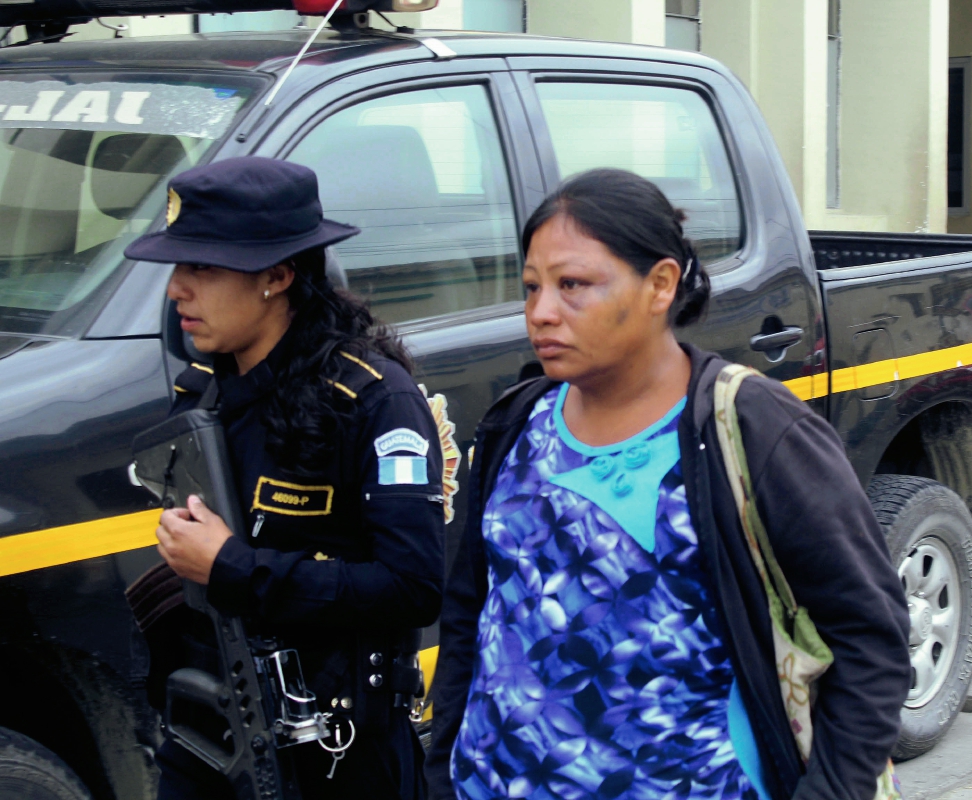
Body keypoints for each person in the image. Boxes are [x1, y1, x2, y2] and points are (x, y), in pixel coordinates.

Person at [425, 169, 910, 800]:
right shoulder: (517, 423)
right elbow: (471, 610)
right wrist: (443, 766)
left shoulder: (752, 431)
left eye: (574, 285)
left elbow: (870, 641)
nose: (541, 312)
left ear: (660, 285)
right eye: (532, 287)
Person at [124, 157, 444, 799]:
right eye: (176, 267)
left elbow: (412, 586)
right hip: (212, 735)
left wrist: (234, 567)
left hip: (333, 756)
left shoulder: (377, 403)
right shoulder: (205, 393)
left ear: (277, 275)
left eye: (202, 267)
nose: (176, 290)